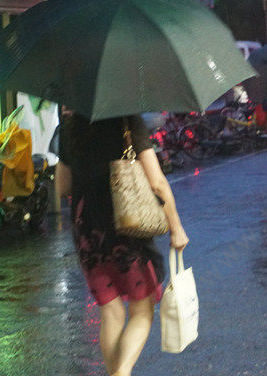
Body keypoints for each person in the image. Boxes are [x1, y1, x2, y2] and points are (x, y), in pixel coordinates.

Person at [58, 110, 189, 376]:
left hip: (86, 230)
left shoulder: (70, 128)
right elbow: (157, 183)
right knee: (142, 311)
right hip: (126, 226)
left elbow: (62, 187)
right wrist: (176, 228)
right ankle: (122, 372)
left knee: (111, 311)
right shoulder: (128, 121)